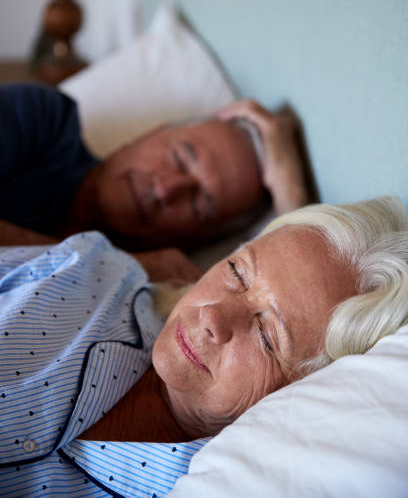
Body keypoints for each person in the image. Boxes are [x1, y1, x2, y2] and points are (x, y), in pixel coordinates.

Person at [1, 196, 407, 496]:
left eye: (267, 337)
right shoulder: (92, 271)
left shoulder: (219, 484)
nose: (212, 316)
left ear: (308, 389)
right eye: (235, 270)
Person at [0, 83, 310, 252]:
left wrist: (292, 205)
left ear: (193, 240)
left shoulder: (153, 300)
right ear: (151, 134)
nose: (166, 189)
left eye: (200, 205)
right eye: (180, 158)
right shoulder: (44, 121)